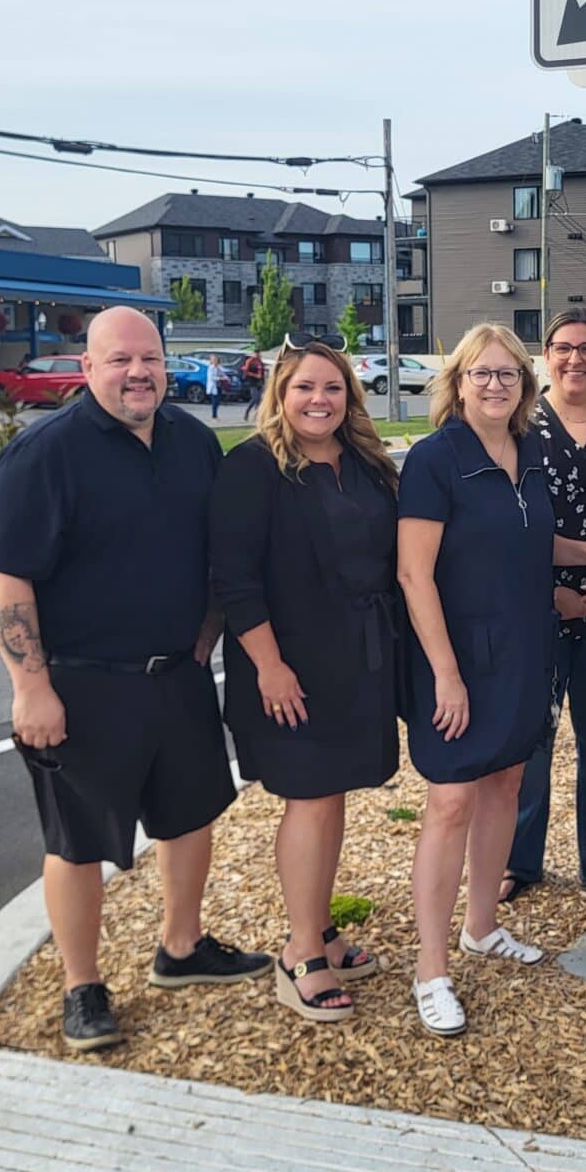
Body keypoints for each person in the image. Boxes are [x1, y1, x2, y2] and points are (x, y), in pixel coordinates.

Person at [0, 307, 270, 1053]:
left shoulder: (194, 443)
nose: (137, 372)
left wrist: (201, 643)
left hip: (175, 677)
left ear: (167, 365)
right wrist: (30, 688)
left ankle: (182, 947)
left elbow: (215, 555)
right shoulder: (45, 454)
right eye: (119, 360)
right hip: (80, 686)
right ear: (88, 369)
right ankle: (83, 985)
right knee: (76, 841)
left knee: (189, 816)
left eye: (149, 358)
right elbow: (6, 578)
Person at [397, 323, 586, 1036]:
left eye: (508, 375)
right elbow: (413, 572)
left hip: (524, 651)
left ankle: (481, 926)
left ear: (525, 386)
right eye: (480, 373)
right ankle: (431, 969)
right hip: (456, 659)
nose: (495, 385)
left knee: (505, 786)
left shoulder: (526, 453)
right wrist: (445, 676)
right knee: (451, 802)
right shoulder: (434, 460)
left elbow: (528, 536)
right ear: (457, 381)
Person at [210, 339, 399, 1026]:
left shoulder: (368, 465)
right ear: (279, 396)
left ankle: (319, 929)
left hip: (359, 658)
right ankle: (298, 955)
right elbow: (233, 578)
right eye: (304, 389)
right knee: (311, 800)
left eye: (332, 388)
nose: (319, 400)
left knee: (332, 799)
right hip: (288, 666)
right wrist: (269, 665)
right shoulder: (254, 469)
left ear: (350, 395)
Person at [502, 308, 586, 908]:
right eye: (563, 347)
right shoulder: (521, 430)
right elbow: (501, 523)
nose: (575, 359)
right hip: (536, 606)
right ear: (544, 355)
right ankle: (516, 859)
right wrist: (552, 591)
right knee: (531, 738)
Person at [241, 349, 265, 422]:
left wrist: (263, 381)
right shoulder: (250, 361)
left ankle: (257, 416)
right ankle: (247, 412)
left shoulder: (260, 362)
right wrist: (255, 375)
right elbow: (246, 371)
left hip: (259, 382)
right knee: (254, 398)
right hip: (252, 382)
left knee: (259, 400)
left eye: (258, 354)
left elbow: (262, 373)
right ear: (253, 354)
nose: (257, 355)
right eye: (256, 354)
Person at [206, 354, 223, 420]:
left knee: (218, 401)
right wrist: (220, 378)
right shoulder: (211, 368)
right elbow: (211, 377)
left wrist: (225, 378)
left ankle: (215, 415)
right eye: (214, 360)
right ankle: (214, 416)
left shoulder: (219, 367)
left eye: (216, 360)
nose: (215, 361)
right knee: (214, 402)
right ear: (211, 361)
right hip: (213, 387)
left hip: (219, 386)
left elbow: (223, 374)